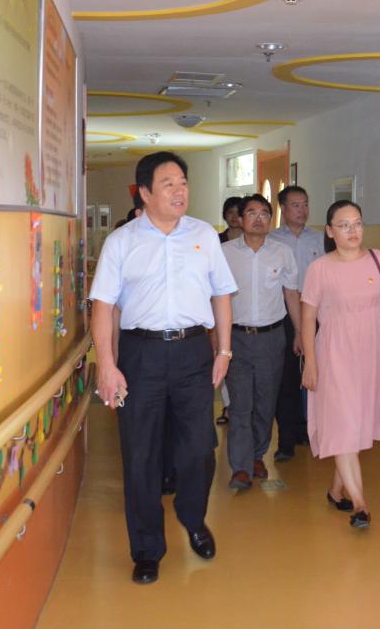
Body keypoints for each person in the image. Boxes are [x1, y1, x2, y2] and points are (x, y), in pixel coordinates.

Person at [90, 151, 237, 585]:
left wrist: (224, 351)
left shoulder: (204, 235)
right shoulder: (122, 242)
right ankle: (147, 550)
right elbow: (103, 307)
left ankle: (193, 518)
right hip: (141, 354)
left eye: (183, 183)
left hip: (193, 352)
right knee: (141, 455)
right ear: (145, 192)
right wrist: (107, 365)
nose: (179, 191)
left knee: (200, 448)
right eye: (168, 184)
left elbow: (222, 294)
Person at [300, 200, 380, 528]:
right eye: (343, 225)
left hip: (372, 350)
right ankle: (360, 505)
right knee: (343, 422)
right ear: (330, 231)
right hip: (334, 352)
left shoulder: (379, 259)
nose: (352, 230)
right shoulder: (320, 268)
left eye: (357, 223)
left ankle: (336, 490)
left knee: (356, 423)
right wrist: (310, 363)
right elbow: (308, 316)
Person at [221, 194, 300, 489]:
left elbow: (291, 294)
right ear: (241, 219)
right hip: (237, 337)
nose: (258, 218)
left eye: (264, 213)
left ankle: (257, 455)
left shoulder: (282, 252)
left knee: (266, 402)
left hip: (272, 338)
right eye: (251, 213)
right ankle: (240, 467)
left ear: (271, 218)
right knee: (240, 404)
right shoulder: (225, 253)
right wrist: (217, 339)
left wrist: (300, 332)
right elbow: (217, 297)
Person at [268, 185, 325, 461]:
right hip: (283, 315)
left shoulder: (320, 239)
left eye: (305, 204)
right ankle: (286, 440)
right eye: (295, 205)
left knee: (315, 373)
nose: (302, 210)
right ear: (283, 208)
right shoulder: (272, 241)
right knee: (288, 378)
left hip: (317, 314)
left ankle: (309, 431)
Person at [215, 196, 244, 425]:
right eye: (230, 212)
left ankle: (241, 407)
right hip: (222, 308)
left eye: (237, 212)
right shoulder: (216, 242)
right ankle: (228, 405)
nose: (234, 217)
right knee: (223, 357)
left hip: (243, 309)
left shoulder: (251, 241)